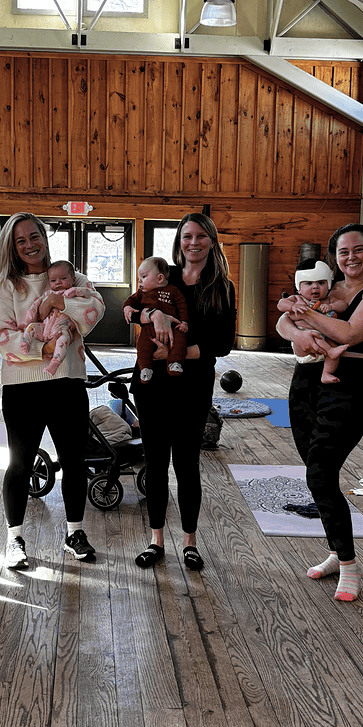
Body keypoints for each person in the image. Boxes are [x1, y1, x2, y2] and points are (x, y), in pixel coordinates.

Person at [276, 224, 363, 602]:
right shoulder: (326, 287)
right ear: (334, 258)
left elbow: (347, 334)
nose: (351, 257)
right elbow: (284, 319)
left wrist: (306, 319)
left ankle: (349, 563)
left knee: (321, 471)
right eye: (343, 252)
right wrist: (293, 331)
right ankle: (335, 550)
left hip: (351, 382)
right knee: (317, 472)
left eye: (359, 249)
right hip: (305, 380)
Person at [0, 214, 105, 569]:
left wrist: (51, 308)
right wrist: (47, 344)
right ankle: (15, 539)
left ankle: (74, 534)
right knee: (19, 464)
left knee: (74, 461)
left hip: (67, 382)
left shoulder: (70, 275)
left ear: (44, 237)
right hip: (22, 389)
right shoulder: (5, 288)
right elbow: (2, 339)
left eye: (34, 236)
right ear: (12, 245)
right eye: (21, 239)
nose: (29, 244)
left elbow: (92, 311)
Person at [127, 213, 236, 572]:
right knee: (155, 461)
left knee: (187, 463)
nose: (193, 242)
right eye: (187, 236)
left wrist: (175, 351)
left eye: (201, 236)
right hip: (152, 384)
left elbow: (222, 343)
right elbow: (130, 309)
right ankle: (156, 539)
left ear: (211, 241)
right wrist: (150, 319)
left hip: (192, 383)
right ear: (179, 242)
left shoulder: (221, 286)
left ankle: (189, 542)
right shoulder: (163, 275)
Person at [276, 259, 349, 384]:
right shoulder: (297, 299)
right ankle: (330, 352)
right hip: (304, 341)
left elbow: (343, 305)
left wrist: (332, 307)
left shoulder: (329, 300)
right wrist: (293, 307)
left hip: (324, 343)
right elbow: (281, 304)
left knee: (332, 347)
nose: (315, 286)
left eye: (321, 283)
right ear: (299, 288)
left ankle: (326, 373)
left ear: (329, 285)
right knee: (320, 340)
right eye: (308, 283)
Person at [122, 256, 189, 381]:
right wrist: (127, 307)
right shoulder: (141, 294)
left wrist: (184, 322)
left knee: (180, 341)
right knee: (142, 345)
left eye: (143, 277)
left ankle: (175, 363)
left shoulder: (173, 290)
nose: (139, 282)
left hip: (173, 327)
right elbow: (130, 301)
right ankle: (145, 368)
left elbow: (182, 306)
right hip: (149, 329)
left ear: (160, 278)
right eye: (138, 279)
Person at [18, 259, 88, 376]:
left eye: (63, 279)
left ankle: (55, 363)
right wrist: (32, 312)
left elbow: (87, 294)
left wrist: (76, 292)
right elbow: (37, 303)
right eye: (53, 280)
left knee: (64, 340)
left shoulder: (73, 293)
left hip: (61, 330)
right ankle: (25, 343)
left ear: (73, 279)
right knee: (31, 327)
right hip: (44, 328)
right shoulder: (48, 294)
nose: (58, 283)